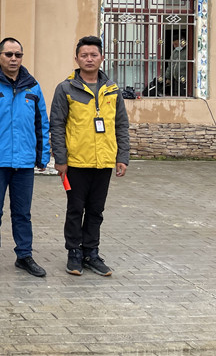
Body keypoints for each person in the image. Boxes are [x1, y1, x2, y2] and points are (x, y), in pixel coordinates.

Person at [50, 35, 130, 277]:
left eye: (93, 55)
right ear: (76, 59)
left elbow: (121, 125)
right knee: (75, 209)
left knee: (96, 210)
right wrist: (60, 159)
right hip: (76, 162)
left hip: (103, 161)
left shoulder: (112, 90)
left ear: (102, 57)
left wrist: (122, 156)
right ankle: (74, 252)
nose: (89, 59)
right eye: (84, 55)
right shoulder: (66, 88)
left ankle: (91, 253)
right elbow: (57, 125)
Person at [0, 37, 50, 278]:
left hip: (24, 163)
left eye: (18, 55)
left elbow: (41, 123)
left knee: (22, 213)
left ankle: (24, 255)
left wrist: (42, 155)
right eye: (8, 54)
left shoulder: (33, 86)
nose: (13, 59)